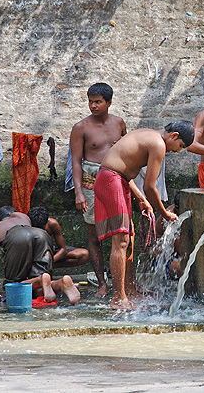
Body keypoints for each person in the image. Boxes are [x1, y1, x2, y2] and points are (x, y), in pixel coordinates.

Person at [95, 120, 194, 309]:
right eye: (180, 146)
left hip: (118, 179)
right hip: (111, 180)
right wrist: (165, 214)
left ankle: (130, 289)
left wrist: (141, 199)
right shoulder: (158, 144)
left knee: (128, 238)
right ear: (173, 136)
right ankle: (118, 298)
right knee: (121, 240)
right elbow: (150, 186)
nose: (178, 151)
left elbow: (124, 170)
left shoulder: (148, 133)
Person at [69, 82, 126, 297]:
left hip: (115, 180)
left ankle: (122, 283)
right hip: (91, 182)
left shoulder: (119, 123)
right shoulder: (81, 127)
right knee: (94, 235)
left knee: (120, 233)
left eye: (98, 102)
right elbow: (75, 161)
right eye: (90, 102)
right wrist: (79, 192)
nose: (93, 106)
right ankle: (102, 282)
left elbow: (125, 152)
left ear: (109, 103)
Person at [0, 206, 80, 304]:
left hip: (17, 237)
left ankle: (40, 279)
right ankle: (61, 283)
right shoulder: (23, 217)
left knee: (11, 288)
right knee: (38, 291)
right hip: (41, 235)